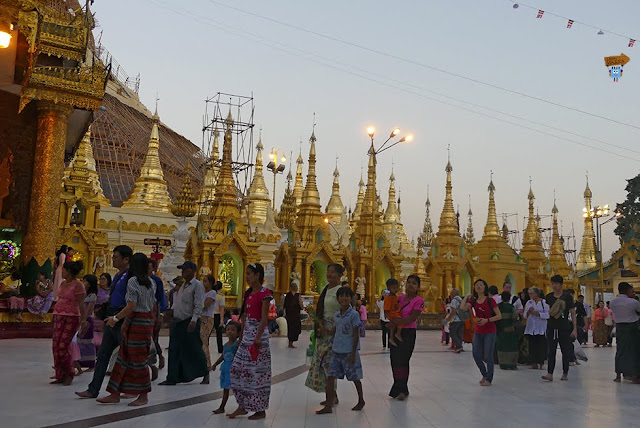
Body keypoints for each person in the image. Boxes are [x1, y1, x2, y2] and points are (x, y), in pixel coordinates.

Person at [97, 253, 157, 406]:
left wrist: (115, 319)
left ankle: (143, 396)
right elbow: (151, 306)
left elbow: (131, 306)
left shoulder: (133, 281)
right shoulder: (151, 282)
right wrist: (126, 322)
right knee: (123, 357)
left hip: (138, 322)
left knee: (138, 360)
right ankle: (114, 392)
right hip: (145, 321)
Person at [76, 245, 132, 399]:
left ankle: (132, 389)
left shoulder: (130, 277)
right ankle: (93, 389)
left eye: (116, 257)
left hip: (121, 319)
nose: (113, 259)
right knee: (103, 355)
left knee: (126, 356)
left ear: (126, 259)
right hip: (111, 318)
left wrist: (120, 318)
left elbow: (130, 302)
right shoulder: (118, 276)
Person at [228, 263, 272, 420]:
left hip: (258, 336)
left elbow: (264, 318)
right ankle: (243, 405)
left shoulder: (264, 294)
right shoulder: (248, 293)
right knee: (238, 370)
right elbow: (245, 317)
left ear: (258, 275)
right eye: (246, 274)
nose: (247, 277)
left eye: (249, 274)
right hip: (247, 335)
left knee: (257, 373)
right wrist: (241, 336)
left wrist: (258, 337)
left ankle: (259, 409)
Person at [159, 261, 209, 386]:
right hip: (178, 322)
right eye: (182, 269)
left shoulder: (197, 285)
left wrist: (194, 320)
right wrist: (170, 313)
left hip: (189, 321)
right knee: (174, 350)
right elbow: (178, 303)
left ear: (192, 270)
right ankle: (172, 377)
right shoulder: (183, 285)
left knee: (194, 349)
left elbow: (199, 305)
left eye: (185, 269)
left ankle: (205, 372)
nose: (182, 272)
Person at [316, 286, 365, 414]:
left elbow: (356, 335)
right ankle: (328, 405)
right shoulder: (337, 315)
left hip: (349, 352)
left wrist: (354, 353)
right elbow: (334, 331)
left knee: (355, 377)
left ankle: (361, 400)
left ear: (351, 298)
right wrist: (324, 329)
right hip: (336, 351)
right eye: (341, 296)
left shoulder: (354, 315)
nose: (344, 298)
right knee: (330, 377)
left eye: (347, 296)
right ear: (337, 299)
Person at [305, 263, 344, 405]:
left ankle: (330, 399)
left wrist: (336, 328)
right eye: (328, 271)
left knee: (330, 364)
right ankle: (332, 395)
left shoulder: (341, 291)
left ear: (340, 275)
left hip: (334, 331)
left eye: (333, 272)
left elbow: (345, 311)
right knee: (322, 363)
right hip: (323, 330)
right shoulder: (325, 289)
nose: (329, 274)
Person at [388, 275, 426, 399]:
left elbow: (412, 318)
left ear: (418, 287)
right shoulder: (400, 298)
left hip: (408, 332)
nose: (410, 285)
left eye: (414, 283)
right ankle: (399, 387)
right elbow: (391, 307)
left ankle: (401, 390)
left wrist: (395, 321)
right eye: (408, 282)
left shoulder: (419, 301)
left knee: (403, 360)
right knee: (394, 360)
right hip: (395, 332)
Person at [52, 261, 87, 385]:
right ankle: (60, 374)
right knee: (56, 346)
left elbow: (82, 304)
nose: (62, 272)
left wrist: (83, 320)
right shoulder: (63, 283)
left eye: (64, 270)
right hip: (59, 316)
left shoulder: (78, 285)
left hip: (71, 317)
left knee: (63, 346)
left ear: (70, 271)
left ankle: (69, 373)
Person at [461, 279, 502, 386]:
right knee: (476, 354)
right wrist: (466, 297)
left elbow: (499, 316)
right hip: (478, 331)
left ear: (485, 287)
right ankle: (484, 373)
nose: (478, 286)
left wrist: (487, 320)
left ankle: (489, 378)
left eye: (481, 285)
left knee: (488, 355)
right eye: (476, 285)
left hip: (490, 330)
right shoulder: (473, 302)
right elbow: (462, 308)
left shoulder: (490, 301)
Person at [542, 275, 577, 382]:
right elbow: (546, 312)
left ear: (561, 285)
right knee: (551, 350)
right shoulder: (549, 297)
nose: (554, 286)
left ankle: (565, 372)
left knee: (565, 350)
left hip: (564, 327)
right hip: (551, 326)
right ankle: (550, 373)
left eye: (556, 284)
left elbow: (572, 313)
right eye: (552, 283)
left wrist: (575, 328)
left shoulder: (567, 297)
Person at [609, 282, 640, 383]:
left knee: (620, 351)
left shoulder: (613, 302)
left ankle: (618, 375)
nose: (633, 293)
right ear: (627, 290)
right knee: (633, 351)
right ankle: (634, 376)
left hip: (620, 328)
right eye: (632, 291)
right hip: (632, 328)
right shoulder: (633, 302)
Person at [212, 321, 241, 414]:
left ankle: (242, 406)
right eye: (228, 329)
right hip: (226, 370)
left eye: (233, 330)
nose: (230, 332)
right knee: (226, 389)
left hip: (234, 370)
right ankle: (222, 407)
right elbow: (223, 357)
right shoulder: (225, 345)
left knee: (238, 390)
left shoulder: (237, 345)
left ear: (238, 333)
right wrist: (215, 364)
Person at [148, 259, 167, 379]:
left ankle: (158, 357)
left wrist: (161, 315)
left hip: (154, 314)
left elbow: (161, 298)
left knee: (153, 338)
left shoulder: (156, 281)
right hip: (143, 314)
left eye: (149, 268)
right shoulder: (139, 280)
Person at [75, 274, 98, 371]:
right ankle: (78, 362)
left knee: (87, 343)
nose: (83, 283)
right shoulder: (83, 294)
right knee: (79, 342)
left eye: (85, 281)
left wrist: (83, 320)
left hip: (87, 320)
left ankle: (91, 363)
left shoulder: (92, 295)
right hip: (80, 319)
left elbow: (88, 310)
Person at [523, 287, 548, 370]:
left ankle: (541, 362)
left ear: (537, 294)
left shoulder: (544, 303)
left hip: (540, 327)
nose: (530, 295)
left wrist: (538, 314)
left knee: (540, 345)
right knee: (532, 345)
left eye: (532, 293)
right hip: (531, 327)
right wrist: (529, 312)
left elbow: (548, 315)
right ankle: (533, 362)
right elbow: (524, 316)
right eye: (529, 293)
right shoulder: (529, 302)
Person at [496, 291, 518, 370]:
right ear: (509, 298)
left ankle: (503, 363)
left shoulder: (498, 306)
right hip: (510, 330)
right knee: (511, 346)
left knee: (502, 346)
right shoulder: (511, 307)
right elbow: (515, 317)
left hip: (500, 330)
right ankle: (511, 364)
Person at [201, 275, 218, 370]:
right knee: (201, 341)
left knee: (203, 340)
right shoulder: (202, 292)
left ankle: (207, 364)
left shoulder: (212, 293)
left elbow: (206, 304)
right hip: (200, 317)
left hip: (207, 318)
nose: (203, 283)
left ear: (211, 283)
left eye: (205, 281)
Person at [283, 280, 303, 348]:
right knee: (295, 328)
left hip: (289, 315)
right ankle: (291, 343)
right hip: (296, 315)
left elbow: (285, 305)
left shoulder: (287, 295)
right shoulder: (298, 295)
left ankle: (290, 342)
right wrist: (302, 307)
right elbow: (301, 304)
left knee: (290, 328)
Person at [384, 278, 404, 347]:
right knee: (400, 322)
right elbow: (386, 309)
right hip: (393, 314)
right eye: (393, 288)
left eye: (396, 288)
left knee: (393, 326)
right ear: (388, 288)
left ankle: (392, 338)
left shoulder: (396, 297)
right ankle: (397, 333)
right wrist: (388, 317)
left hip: (396, 313)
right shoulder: (388, 298)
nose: (395, 290)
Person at [445, 288, 464, 353]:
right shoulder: (461, 299)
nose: (450, 294)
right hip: (462, 319)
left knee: (452, 333)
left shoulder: (454, 300)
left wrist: (448, 319)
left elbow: (453, 311)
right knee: (459, 333)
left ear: (454, 293)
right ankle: (460, 346)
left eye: (451, 292)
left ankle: (459, 346)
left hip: (456, 320)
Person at [212, 281, 225, 354]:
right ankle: (220, 348)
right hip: (217, 315)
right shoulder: (221, 296)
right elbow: (221, 308)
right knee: (219, 333)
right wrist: (222, 319)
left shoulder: (210, 294)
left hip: (210, 315)